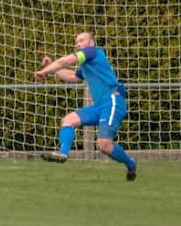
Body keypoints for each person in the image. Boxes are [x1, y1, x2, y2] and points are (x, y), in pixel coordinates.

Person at [34, 32, 137, 181]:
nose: (78, 44)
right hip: (99, 106)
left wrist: (44, 71)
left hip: (113, 102)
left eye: (81, 40)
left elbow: (66, 61)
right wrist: (52, 67)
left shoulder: (92, 52)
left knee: (104, 146)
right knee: (68, 120)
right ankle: (63, 153)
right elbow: (72, 76)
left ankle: (131, 164)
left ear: (92, 43)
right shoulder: (87, 63)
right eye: (76, 42)